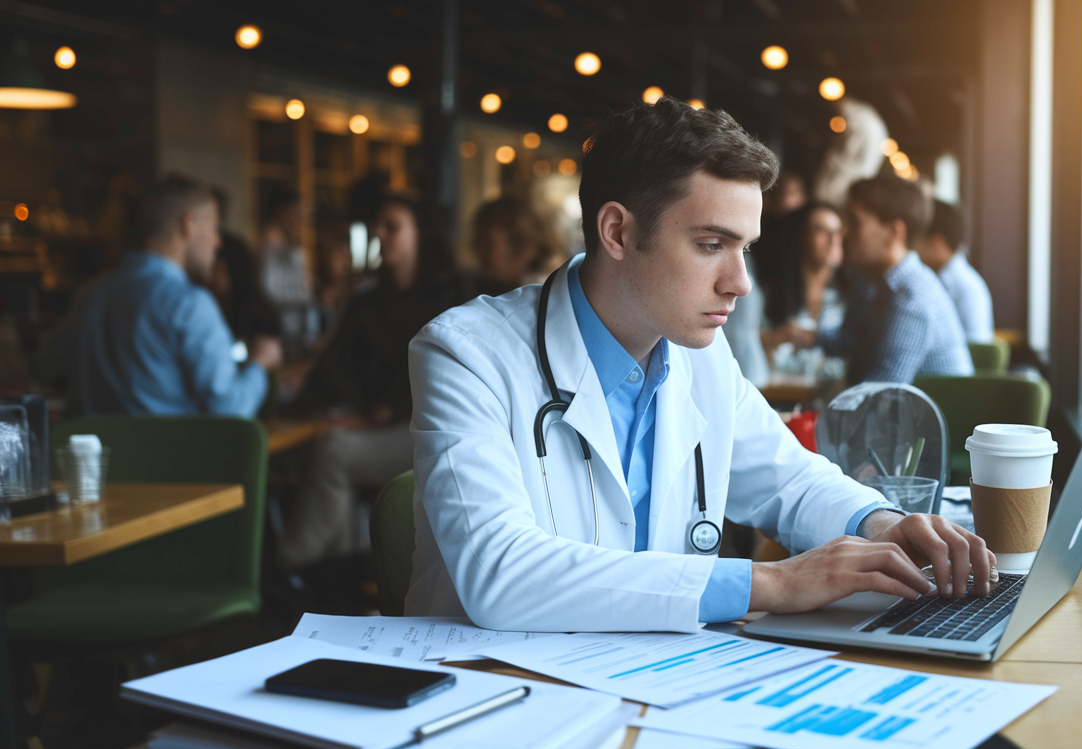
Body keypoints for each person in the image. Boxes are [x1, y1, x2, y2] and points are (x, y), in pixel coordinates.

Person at [404, 97, 994, 632]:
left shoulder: (699, 356)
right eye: (712, 245)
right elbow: (500, 574)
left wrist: (881, 524)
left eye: (745, 249)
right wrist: (771, 584)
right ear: (617, 230)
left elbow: (790, 480)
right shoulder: (466, 354)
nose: (738, 283)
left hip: (656, 687)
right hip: (498, 698)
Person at [279, 194, 466, 573]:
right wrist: (305, 406)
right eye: (378, 226)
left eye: (392, 227)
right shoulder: (368, 301)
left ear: (420, 235)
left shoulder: (451, 296)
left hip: (432, 434)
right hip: (383, 426)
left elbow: (443, 377)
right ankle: (334, 571)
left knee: (332, 452)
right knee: (305, 451)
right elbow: (332, 370)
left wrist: (375, 416)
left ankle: (292, 564)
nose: (380, 234)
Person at [42, 175, 281, 416]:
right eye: (214, 228)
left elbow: (47, 369)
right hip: (169, 454)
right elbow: (231, 411)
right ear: (188, 225)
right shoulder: (189, 305)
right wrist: (260, 364)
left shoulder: (88, 295)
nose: (218, 242)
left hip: (98, 453)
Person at [823, 176, 974, 385]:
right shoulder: (877, 284)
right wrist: (807, 337)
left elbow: (881, 394)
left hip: (935, 417)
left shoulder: (911, 297)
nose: (841, 233)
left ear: (894, 232)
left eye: (854, 221)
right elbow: (852, 344)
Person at [758, 203, 847, 377]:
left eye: (837, 232)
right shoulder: (773, 288)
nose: (833, 239)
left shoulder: (849, 290)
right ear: (800, 237)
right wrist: (777, 337)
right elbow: (748, 347)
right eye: (821, 230)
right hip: (782, 390)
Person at [915, 201, 994, 344]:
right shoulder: (938, 278)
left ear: (936, 243)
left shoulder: (967, 288)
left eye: (915, 240)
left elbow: (977, 350)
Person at [469, 196, 559, 296]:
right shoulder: (464, 289)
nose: (491, 257)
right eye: (480, 240)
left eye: (485, 241)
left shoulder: (546, 295)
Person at [209, 232, 283, 345]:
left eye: (214, 267)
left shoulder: (260, 320)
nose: (209, 276)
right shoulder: (213, 308)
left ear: (232, 270)